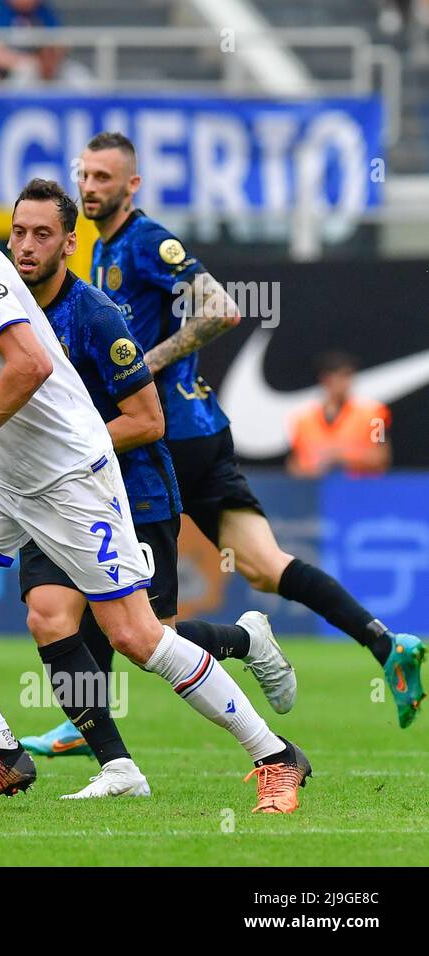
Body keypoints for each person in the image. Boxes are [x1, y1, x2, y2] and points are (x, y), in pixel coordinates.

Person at [0, 139, 310, 814]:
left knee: (137, 636)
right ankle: (1, 753)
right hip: (2, 470)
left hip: (68, 472)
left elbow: (29, 365)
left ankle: (276, 756)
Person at [78, 131, 424, 729]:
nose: (89, 187)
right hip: (203, 431)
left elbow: (221, 308)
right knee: (266, 565)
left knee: (113, 586)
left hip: (168, 439)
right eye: (84, 175)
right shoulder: (103, 250)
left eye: (103, 178)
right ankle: (387, 645)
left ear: (131, 185)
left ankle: (86, 716)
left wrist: (147, 363)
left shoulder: (145, 242)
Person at [7, 179, 295, 785]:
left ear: (67, 244)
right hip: (55, 496)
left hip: (132, 491)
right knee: (50, 614)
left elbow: (147, 421)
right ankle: (117, 767)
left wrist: (60, 450)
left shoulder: (96, 316)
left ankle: (244, 641)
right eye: (17, 232)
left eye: (41, 234)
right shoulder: (8, 311)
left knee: (148, 638)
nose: (25, 246)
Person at [288, 351, 391, 478]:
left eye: (348, 376)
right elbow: (295, 463)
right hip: (316, 491)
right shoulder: (302, 419)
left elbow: (381, 456)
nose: (345, 383)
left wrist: (341, 457)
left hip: (360, 488)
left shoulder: (374, 414)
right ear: (325, 379)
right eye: (340, 376)